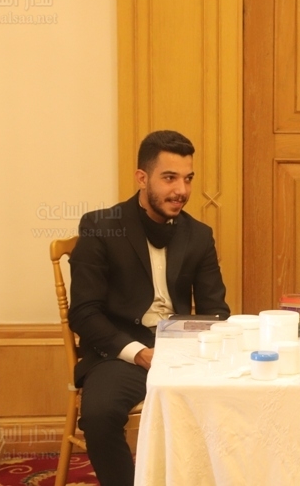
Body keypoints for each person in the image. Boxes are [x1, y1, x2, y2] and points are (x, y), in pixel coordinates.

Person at [69, 130, 230, 485]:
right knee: (99, 415)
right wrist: (138, 353)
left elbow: (216, 311)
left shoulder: (198, 235)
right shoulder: (101, 227)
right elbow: (83, 312)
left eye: (188, 178)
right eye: (169, 178)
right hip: (119, 354)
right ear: (142, 178)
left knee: (236, 398)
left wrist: (199, 348)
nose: (182, 190)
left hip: (183, 352)